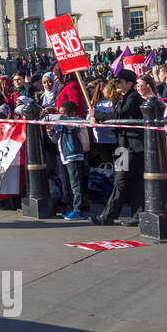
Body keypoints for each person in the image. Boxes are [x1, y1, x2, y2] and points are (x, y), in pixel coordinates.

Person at [92, 69, 144, 226]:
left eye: (119, 81)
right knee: (126, 181)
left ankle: (108, 216)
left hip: (133, 146)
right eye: (115, 81)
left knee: (124, 181)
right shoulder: (122, 98)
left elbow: (120, 115)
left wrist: (98, 115)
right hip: (123, 146)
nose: (116, 84)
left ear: (129, 83)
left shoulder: (134, 97)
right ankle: (136, 214)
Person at [46, 99, 90, 219]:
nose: (62, 116)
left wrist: (50, 115)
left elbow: (64, 120)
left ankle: (78, 209)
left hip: (74, 155)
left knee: (76, 185)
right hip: (65, 156)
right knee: (70, 185)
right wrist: (50, 132)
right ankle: (72, 207)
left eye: (65, 113)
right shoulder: (62, 125)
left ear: (73, 113)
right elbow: (56, 140)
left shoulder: (75, 123)